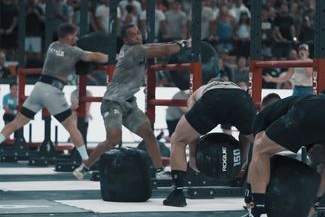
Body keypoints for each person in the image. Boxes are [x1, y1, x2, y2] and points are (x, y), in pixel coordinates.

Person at [73, 24, 191, 180]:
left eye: (138, 33)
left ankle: (159, 171)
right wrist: (183, 44)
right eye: (133, 35)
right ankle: (85, 166)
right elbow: (164, 50)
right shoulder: (133, 50)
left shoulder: (139, 49)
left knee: (148, 134)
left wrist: (174, 44)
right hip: (112, 102)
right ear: (125, 40)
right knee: (113, 140)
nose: (138, 36)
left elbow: (157, 47)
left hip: (129, 103)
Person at [0, 23, 108, 163]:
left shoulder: (52, 46)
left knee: (17, 122)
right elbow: (95, 56)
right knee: (71, 127)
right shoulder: (74, 51)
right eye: (75, 35)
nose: (77, 38)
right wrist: (114, 57)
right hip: (53, 91)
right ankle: (86, 160)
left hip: (38, 88)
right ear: (69, 36)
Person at [243, 94, 325, 217]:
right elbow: (323, 166)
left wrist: (249, 197)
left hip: (309, 113)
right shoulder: (293, 106)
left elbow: (257, 153)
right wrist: (312, 207)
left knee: (260, 149)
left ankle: (258, 214)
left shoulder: (263, 116)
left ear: (262, 108)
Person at [163, 79, 256, 207]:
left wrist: (193, 155)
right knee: (262, 146)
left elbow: (192, 130)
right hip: (241, 98)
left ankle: (178, 194)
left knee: (177, 140)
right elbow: (245, 133)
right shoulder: (236, 88)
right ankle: (255, 195)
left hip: (214, 99)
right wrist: (243, 157)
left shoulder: (199, 92)